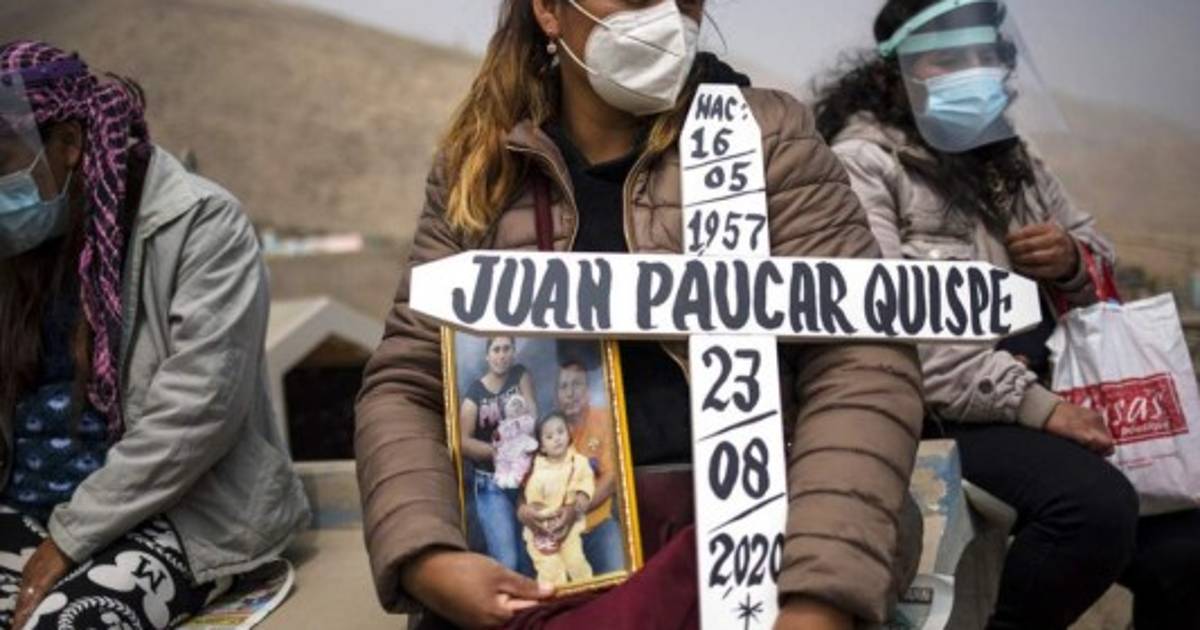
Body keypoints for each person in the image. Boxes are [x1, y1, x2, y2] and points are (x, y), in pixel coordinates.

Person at [355, 1, 925, 629]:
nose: (665, 14)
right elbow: (408, 383)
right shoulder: (482, 167)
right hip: (543, 551)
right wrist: (429, 557)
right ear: (549, 11)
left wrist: (817, 599)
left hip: (753, 537)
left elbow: (862, 365)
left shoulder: (770, 139)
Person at [813, 1, 1200, 628]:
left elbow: (1097, 255)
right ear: (895, 73)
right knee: (1091, 509)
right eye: (946, 58)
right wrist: (1037, 406)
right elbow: (887, 327)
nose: (971, 71)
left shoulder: (1012, 162)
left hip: (1049, 394)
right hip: (940, 412)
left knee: (1185, 550)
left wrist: (1071, 261)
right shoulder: (865, 163)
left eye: (983, 55)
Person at [0, 41, 310, 630]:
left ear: (68, 144)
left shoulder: (198, 223)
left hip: (172, 514)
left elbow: (198, 411)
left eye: (2, 158)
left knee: (70, 623)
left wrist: (67, 540)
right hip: (26, 506)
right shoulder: (15, 244)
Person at [517, 359, 623, 577]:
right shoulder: (547, 430)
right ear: (556, 396)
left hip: (597, 526)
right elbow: (525, 487)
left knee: (620, 575)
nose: (570, 393)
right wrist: (523, 511)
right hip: (552, 534)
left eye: (577, 384)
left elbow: (612, 478)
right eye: (563, 387)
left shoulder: (605, 418)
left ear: (588, 390)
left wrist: (574, 511)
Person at [459, 335, 539, 571]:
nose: (501, 355)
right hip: (491, 482)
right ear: (487, 355)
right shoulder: (475, 394)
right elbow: (462, 442)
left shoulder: (520, 375)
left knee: (530, 557)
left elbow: (533, 412)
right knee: (508, 560)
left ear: (513, 352)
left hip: (524, 477)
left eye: (506, 349)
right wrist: (499, 452)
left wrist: (524, 437)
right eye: (496, 350)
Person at [521, 412, 595, 586]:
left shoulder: (579, 462)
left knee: (576, 561)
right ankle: (556, 596)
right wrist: (545, 521)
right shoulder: (538, 471)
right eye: (549, 436)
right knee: (550, 568)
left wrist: (583, 494)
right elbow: (533, 501)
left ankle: (588, 589)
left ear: (569, 434)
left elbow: (587, 479)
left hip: (570, 527)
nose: (557, 439)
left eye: (560, 432)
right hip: (543, 530)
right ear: (542, 447)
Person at [493, 395, 539, 489]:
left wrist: (518, 423)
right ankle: (501, 476)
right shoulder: (504, 424)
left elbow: (530, 427)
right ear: (507, 410)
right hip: (508, 447)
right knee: (502, 461)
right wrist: (497, 439)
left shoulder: (526, 419)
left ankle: (516, 477)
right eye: (513, 405)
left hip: (521, 444)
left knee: (521, 461)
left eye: (520, 406)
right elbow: (500, 437)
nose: (517, 408)